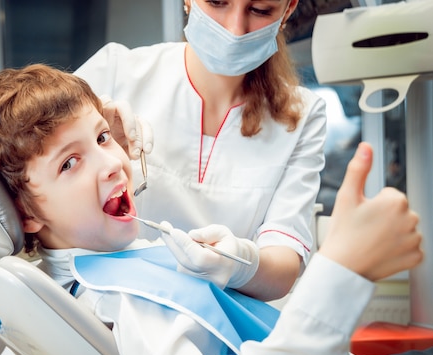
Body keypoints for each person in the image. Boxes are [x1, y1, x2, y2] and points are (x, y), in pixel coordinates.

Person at [0, 64, 433, 355]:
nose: (113, 161)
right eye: (69, 163)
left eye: (101, 137)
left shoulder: (72, 285)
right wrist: (344, 270)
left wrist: (242, 265)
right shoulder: (129, 298)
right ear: (23, 211)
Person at [74, 0, 321, 301]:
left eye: (259, 10)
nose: (234, 30)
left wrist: (239, 264)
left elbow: (283, 262)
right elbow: (22, 172)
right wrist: (90, 145)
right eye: (218, 2)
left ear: (288, 10)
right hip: (109, 310)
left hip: (217, 324)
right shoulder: (115, 71)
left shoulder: (303, 114)